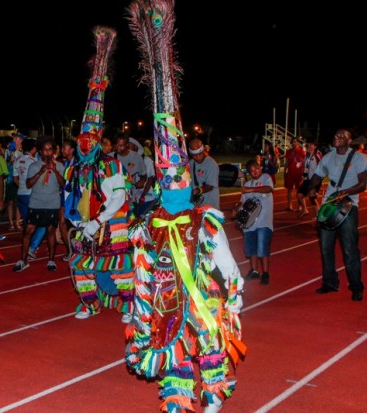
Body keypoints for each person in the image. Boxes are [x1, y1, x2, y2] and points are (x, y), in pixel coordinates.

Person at [125, 6, 244, 412]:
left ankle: (212, 394)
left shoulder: (201, 218)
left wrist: (234, 286)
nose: (172, 182)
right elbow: (141, 265)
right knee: (172, 351)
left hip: (200, 297)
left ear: (186, 181)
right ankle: (177, 399)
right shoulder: (150, 221)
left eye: (177, 177)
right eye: (166, 178)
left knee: (209, 344)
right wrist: (139, 302)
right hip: (166, 300)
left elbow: (223, 256)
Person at [63, 26, 134, 323]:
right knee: (81, 265)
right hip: (84, 223)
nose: (83, 144)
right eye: (80, 139)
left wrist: (98, 221)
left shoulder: (110, 165)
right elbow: (68, 195)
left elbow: (118, 197)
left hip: (109, 222)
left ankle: (130, 306)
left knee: (117, 265)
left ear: (97, 140)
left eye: (88, 140)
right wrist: (76, 220)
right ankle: (90, 303)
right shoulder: (73, 167)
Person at [308, 129, 367, 301]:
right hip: (329, 205)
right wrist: (313, 188)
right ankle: (330, 283)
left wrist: (345, 192)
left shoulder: (357, 158)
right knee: (326, 249)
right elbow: (317, 176)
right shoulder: (328, 157)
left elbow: (362, 184)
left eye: (342, 136)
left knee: (350, 249)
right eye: (336, 135)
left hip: (349, 205)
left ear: (349, 141)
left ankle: (356, 286)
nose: (337, 137)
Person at [14, 139, 64, 272]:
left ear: (53, 151)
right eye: (45, 150)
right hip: (36, 203)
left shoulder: (59, 165)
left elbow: (64, 184)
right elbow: (29, 184)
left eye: (50, 150)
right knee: (28, 231)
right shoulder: (34, 165)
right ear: (41, 151)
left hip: (52, 204)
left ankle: (51, 260)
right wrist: (41, 171)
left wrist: (55, 171)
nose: (47, 153)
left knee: (50, 232)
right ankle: (23, 260)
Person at [238, 159, 274, 284]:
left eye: (257, 168)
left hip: (264, 222)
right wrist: (235, 209)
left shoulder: (266, 178)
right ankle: (254, 270)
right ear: (248, 173)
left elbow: (268, 189)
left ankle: (265, 273)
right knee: (251, 249)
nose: (255, 172)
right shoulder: (247, 184)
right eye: (252, 171)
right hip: (250, 223)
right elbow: (242, 203)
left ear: (260, 168)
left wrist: (251, 190)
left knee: (262, 248)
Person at [188, 137, 220, 209]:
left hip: (210, 204)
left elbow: (210, 186)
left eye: (200, 154)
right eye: (195, 155)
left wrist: (197, 191)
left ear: (203, 150)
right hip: (196, 204)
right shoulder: (190, 163)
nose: (198, 157)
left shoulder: (211, 164)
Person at [297, 141, 322, 217]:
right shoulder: (307, 156)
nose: (309, 145)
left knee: (312, 198)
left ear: (315, 146)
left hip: (314, 181)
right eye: (309, 144)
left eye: (311, 144)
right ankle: (305, 210)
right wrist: (304, 175)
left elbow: (321, 169)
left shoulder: (316, 156)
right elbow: (307, 168)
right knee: (299, 194)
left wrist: (316, 182)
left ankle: (319, 215)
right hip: (307, 180)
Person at [282, 137, 305, 211]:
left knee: (299, 190)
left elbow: (304, 162)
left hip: (299, 173)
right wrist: (285, 171)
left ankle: (300, 206)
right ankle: (290, 206)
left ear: (298, 142)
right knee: (289, 190)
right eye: (293, 142)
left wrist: (303, 173)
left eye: (295, 141)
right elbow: (287, 162)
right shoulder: (288, 151)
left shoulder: (301, 151)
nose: (294, 143)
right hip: (290, 173)